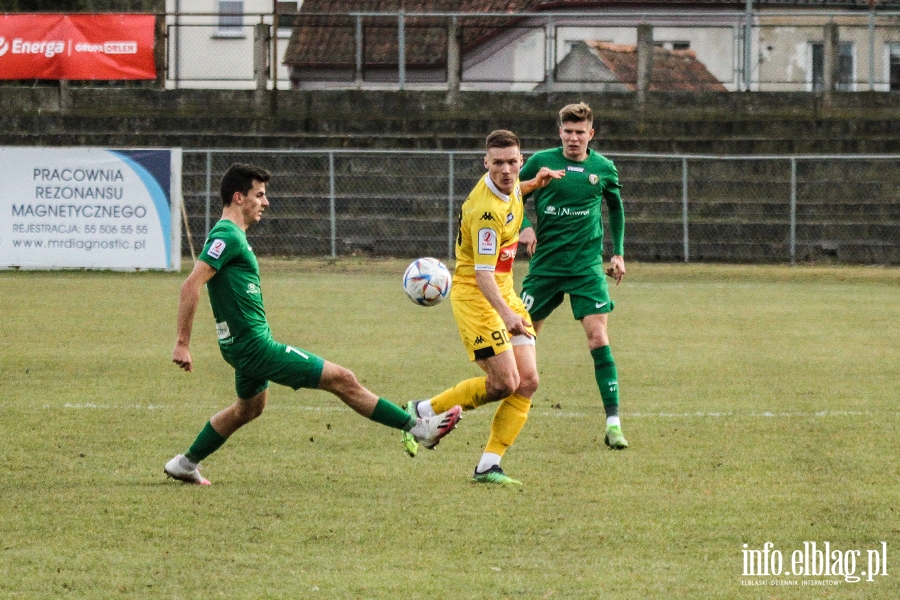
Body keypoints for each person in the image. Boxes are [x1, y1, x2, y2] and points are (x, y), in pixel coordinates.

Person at [164, 163, 461, 485]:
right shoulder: (227, 235)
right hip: (254, 347)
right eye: (259, 195)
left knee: (248, 410)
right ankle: (419, 429)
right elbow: (190, 285)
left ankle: (185, 463)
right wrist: (182, 342)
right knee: (343, 379)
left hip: (243, 345)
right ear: (238, 197)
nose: (266, 202)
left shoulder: (233, 236)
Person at [401, 130, 563, 486]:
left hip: (503, 288)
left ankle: (488, 465)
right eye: (498, 163)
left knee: (528, 381)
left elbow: (514, 193)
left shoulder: (508, 186)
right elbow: (482, 273)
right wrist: (508, 316)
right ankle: (421, 411)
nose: (506, 170)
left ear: (521, 160)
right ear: (485, 163)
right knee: (505, 383)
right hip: (478, 296)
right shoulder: (486, 212)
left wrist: (534, 182)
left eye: (512, 162)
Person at [517, 101, 629, 450]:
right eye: (567, 132)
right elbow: (512, 196)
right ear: (560, 133)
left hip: (586, 268)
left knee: (598, 338)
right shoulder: (540, 163)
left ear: (590, 134)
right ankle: (517, 407)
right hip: (546, 265)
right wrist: (524, 227)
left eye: (580, 132)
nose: (573, 138)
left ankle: (613, 424)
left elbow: (616, 209)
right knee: (523, 335)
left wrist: (619, 251)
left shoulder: (603, 168)